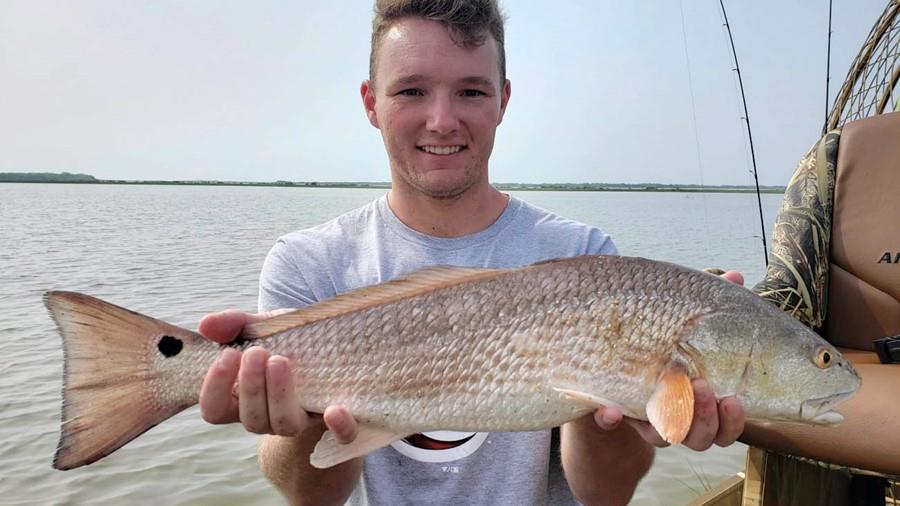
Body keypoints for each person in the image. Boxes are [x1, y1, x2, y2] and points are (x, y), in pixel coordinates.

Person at [198, 1, 746, 504]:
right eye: (411, 90)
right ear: (371, 102)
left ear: (503, 100)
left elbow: (605, 495)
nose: (442, 120)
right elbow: (309, 497)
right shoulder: (307, 263)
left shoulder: (584, 255)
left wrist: (613, 406)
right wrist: (307, 413)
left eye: (471, 92)